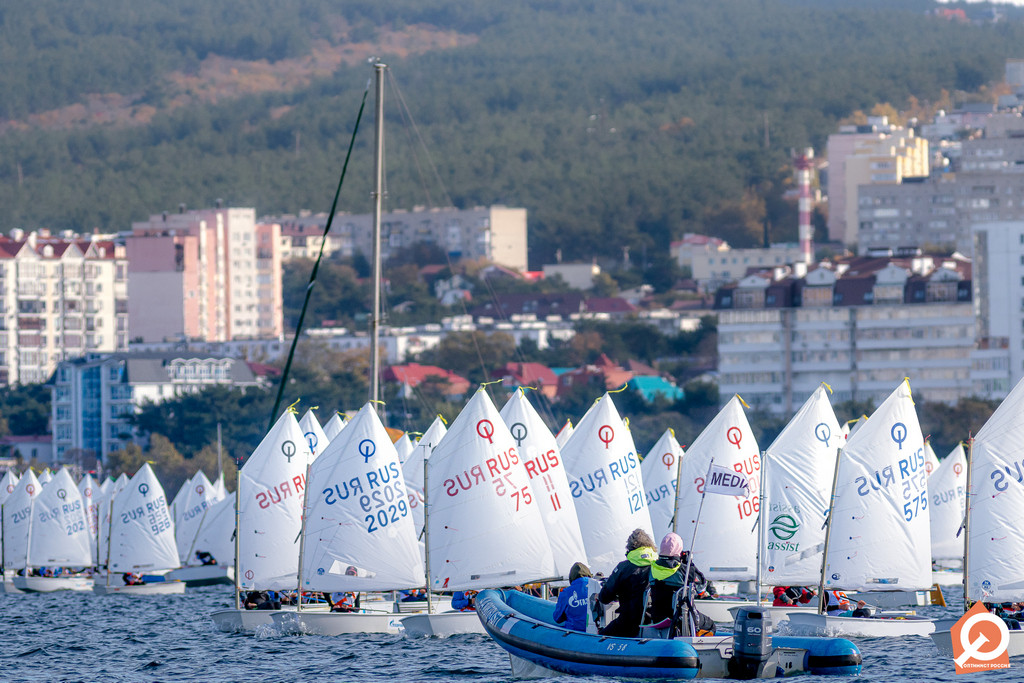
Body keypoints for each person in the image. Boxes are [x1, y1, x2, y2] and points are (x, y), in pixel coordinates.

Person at [646, 533, 716, 637]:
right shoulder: (685, 570)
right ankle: (695, 642)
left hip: (657, 617)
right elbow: (702, 587)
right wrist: (690, 564)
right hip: (681, 617)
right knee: (711, 625)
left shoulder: (651, 568)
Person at [598, 528, 658, 637]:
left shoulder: (623, 568)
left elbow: (604, 597)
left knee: (599, 638)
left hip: (628, 624)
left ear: (630, 547)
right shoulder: (659, 566)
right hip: (655, 623)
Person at [554, 562, 593, 632]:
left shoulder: (566, 592)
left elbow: (557, 618)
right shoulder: (598, 588)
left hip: (574, 633)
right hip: (597, 633)